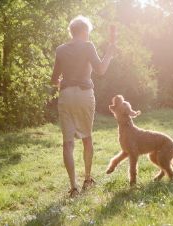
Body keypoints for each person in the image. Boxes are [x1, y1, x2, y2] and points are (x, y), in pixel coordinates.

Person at [51, 15, 115, 197]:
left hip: (66, 95)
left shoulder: (60, 50)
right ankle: (87, 179)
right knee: (87, 138)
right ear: (85, 31)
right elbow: (101, 70)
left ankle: (73, 187)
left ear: (71, 31)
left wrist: (62, 81)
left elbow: (54, 79)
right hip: (85, 94)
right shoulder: (88, 46)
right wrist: (109, 53)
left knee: (68, 142)